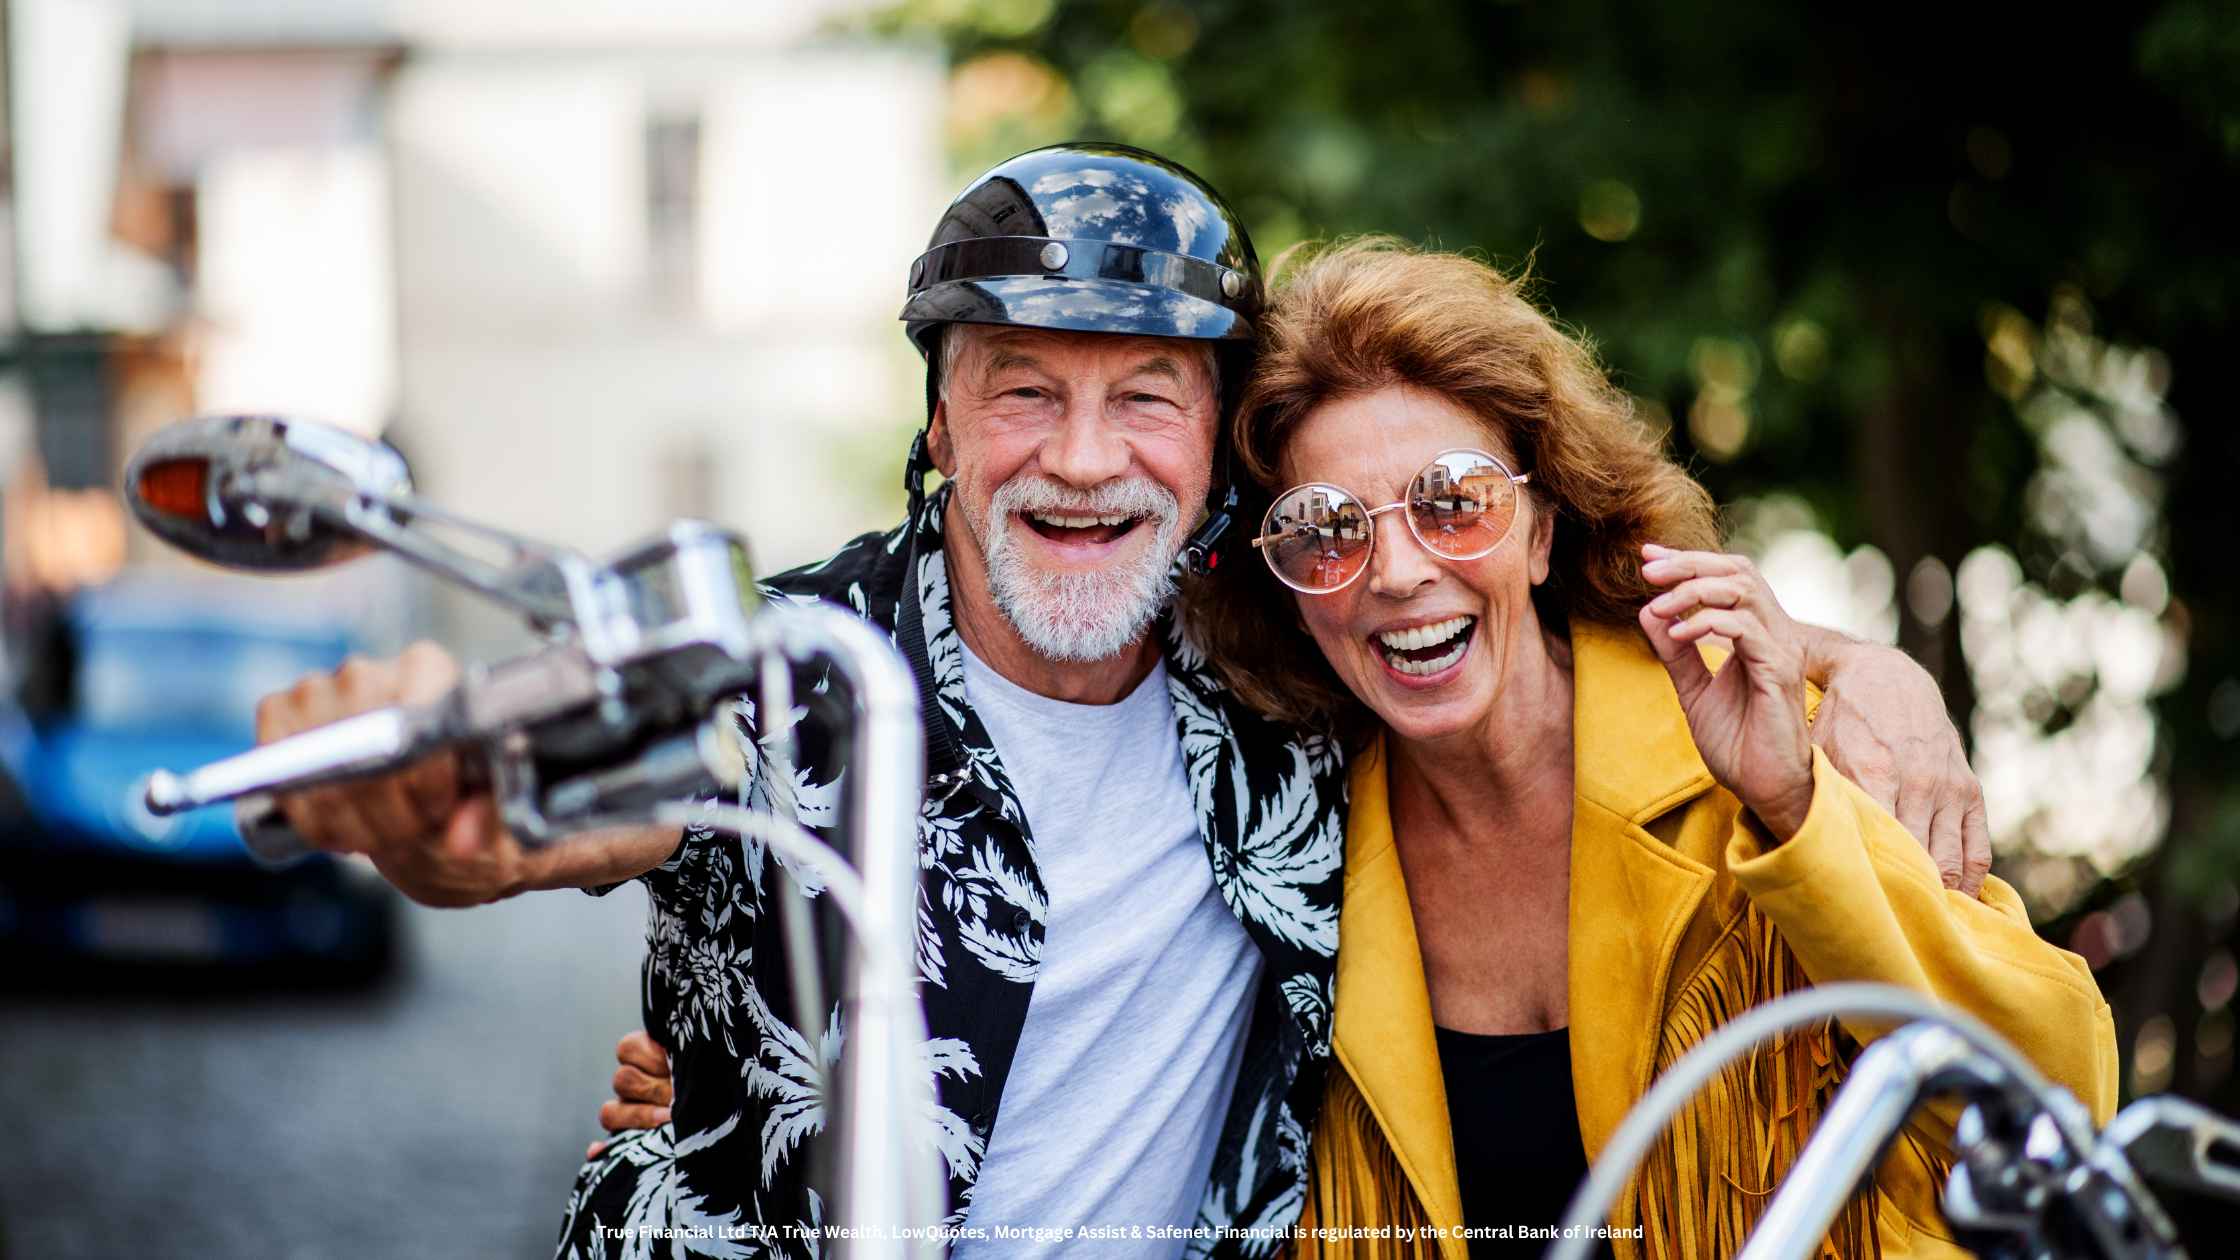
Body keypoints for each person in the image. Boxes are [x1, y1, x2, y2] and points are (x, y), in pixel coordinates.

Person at [252, 147, 1988, 1260]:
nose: (1082, 462)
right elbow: (569, 797)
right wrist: (432, 821)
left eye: (1144, 397)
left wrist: (1873, 675)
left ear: (1214, 449)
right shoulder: (792, 669)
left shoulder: (1285, 670)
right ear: (940, 424)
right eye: (1023, 394)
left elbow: (1558, 601)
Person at [1185, 237, 2115, 1257]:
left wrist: (1802, 810)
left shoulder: (1767, 744)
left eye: (1451, 501)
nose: (1396, 572)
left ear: (1539, 530)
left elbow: (2058, 1106)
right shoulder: (1283, 849)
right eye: (1325, 529)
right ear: (1286, 584)